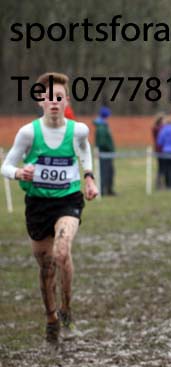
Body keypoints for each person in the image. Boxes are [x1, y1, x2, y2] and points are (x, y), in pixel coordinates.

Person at [1, 72, 99, 345]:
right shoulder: (28, 133)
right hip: (38, 205)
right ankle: (51, 318)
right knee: (46, 266)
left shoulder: (78, 130)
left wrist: (89, 177)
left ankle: (66, 309)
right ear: (40, 101)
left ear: (66, 101)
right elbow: (6, 166)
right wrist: (19, 173)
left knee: (62, 251)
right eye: (49, 98)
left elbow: (84, 150)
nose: (54, 102)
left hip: (68, 200)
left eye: (59, 97)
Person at [93, 106, 116, 196]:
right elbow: (102, 142)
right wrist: (109, 148)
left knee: (109, 171)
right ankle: (103, 190)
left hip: (106, 153)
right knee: (104, 172)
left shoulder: (103, 125)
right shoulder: (102, 127)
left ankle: (108, 190)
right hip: (104, 153)